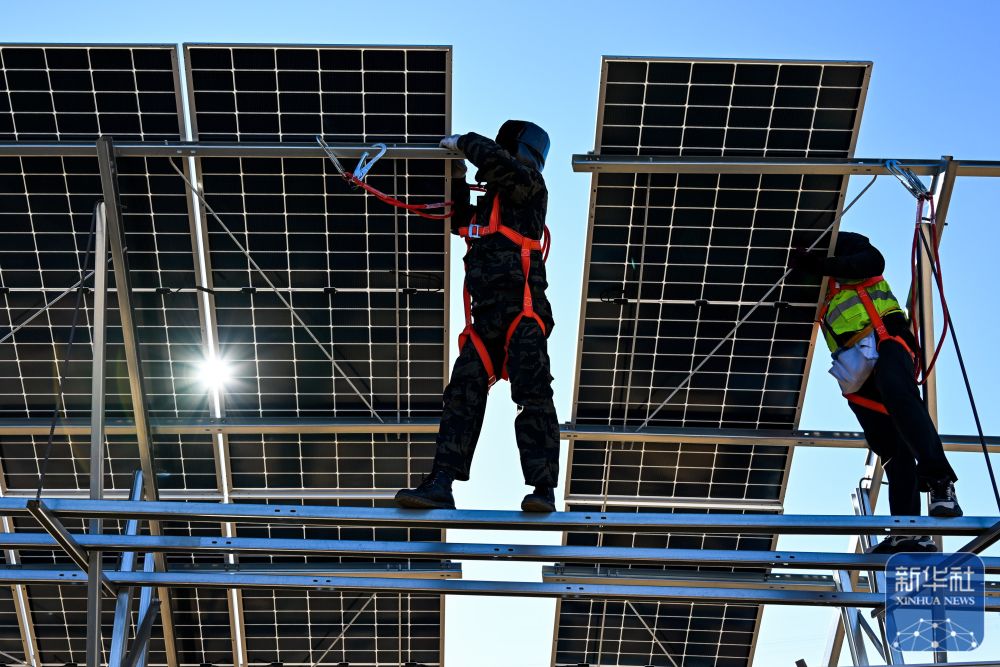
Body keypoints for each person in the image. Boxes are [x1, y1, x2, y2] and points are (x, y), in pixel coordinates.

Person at [395, 121, 560, 512]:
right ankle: (441, 483)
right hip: (485, 323)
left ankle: (543, 490)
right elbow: (459, 221)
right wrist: (456, 176)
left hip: (523, 315)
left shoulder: (530, 187)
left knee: (533, 395)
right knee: (461, 397)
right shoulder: (490, 207)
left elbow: (502, 166)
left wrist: (464, 142)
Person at [790, 231, 962, 554]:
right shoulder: (804, 278)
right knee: (892, 448)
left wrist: (819, 263)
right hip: (853, 366)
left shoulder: (845, 244)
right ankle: (908, 533)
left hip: (885, 340)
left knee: (898, 394)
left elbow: (873, 262)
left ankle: (940, 483)